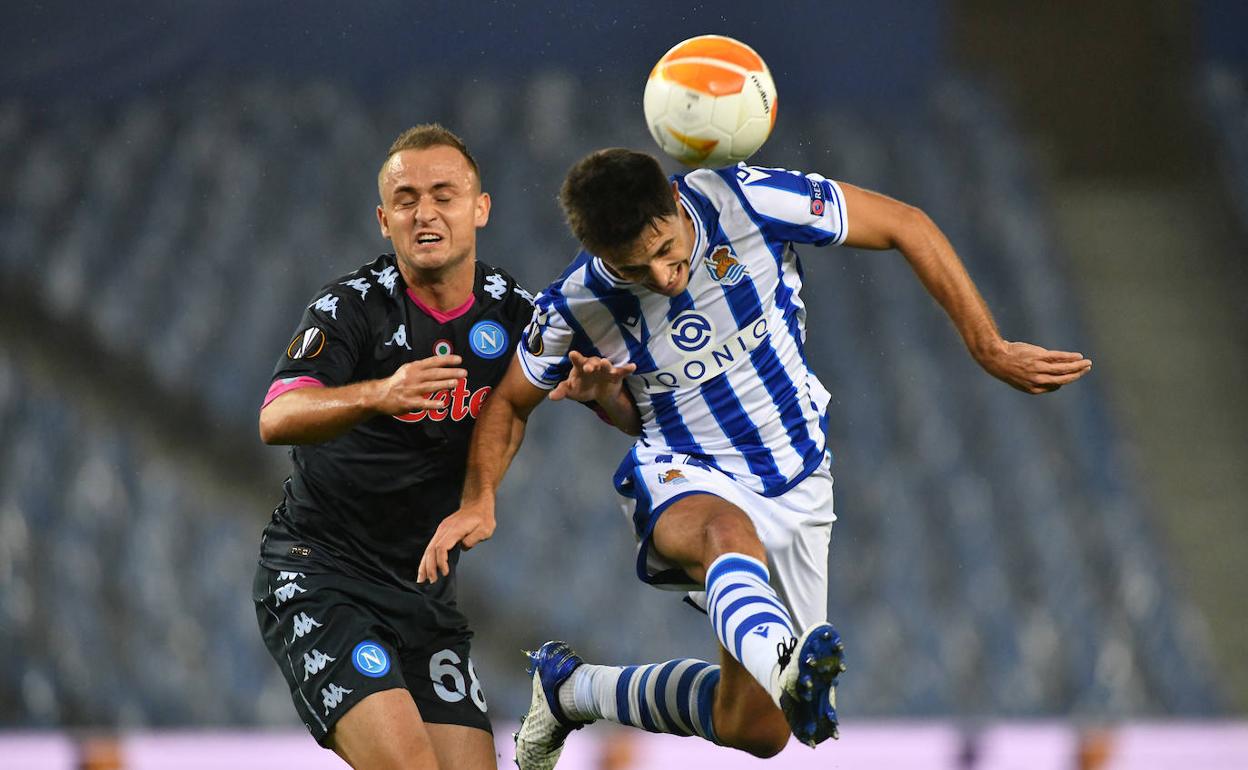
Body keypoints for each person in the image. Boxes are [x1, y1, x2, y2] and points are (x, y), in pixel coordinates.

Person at [417, 149, 1093, 765]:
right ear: (599, 256)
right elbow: (508, 403)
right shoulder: (576, 302)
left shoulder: (747, 200)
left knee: (760, 731)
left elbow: (906, 223)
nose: (661, 276)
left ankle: (574, 692)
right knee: (724, 535)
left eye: (665, 250)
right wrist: (481, 497)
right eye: (632, 268)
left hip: (800, 479)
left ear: (676, 205)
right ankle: (786, 666)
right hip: (686, 470)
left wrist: (989, 345)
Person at [252, 124, 562, 770]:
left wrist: (598, 388)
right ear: (383, 219)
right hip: (321, 578)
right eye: (406, 198)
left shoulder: (514, 315)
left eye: (444, 195)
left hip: (424, 596)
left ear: (480, 208)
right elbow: (278, 415)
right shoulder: (350, 309)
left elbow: (603, 400)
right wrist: (376, 394)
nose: (425, 212)